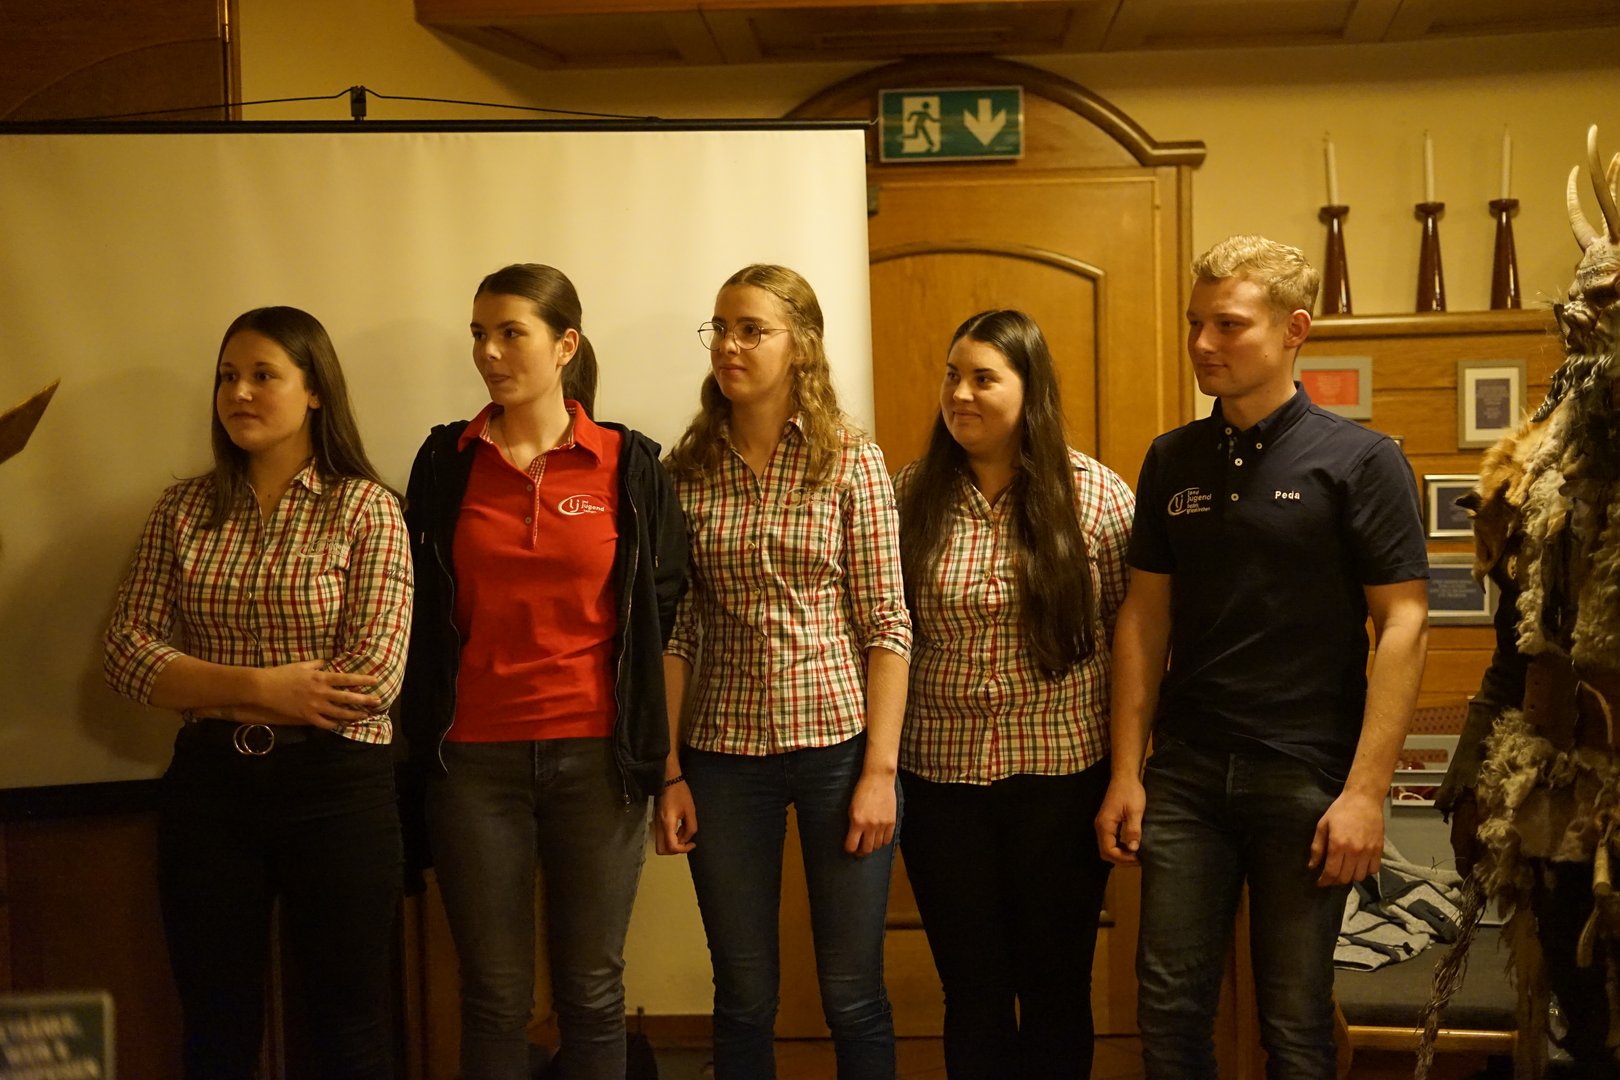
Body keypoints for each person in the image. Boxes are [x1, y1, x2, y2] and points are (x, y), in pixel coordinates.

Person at [1093, 235, 1430, 1078]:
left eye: (1229, 325)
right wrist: (1127, 772)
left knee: (1296, 1021)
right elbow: (1144, 619)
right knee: (1169, 1014)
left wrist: (1366, 795)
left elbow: (1403, 624)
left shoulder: (1362, 460)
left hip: (1307, 776)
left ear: (1294, 330)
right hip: (1186, 775)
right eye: (1195, 323)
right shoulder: (1171, 458)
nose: (1203, 342)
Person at [103, 306, 411, 1080]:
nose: (238, 393)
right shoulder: (183, 509)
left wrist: (199, 686)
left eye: (263, 375)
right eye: (227, 376)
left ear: (315, 390)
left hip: (337, 788)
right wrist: (265, 687)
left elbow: (372, 678)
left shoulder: (367, 507)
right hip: (211, 790)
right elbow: (126, 653)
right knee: (217, 1027)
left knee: (348, 1029)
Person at [398, 263, 688, 1080]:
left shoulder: (626, 463)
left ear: (565, 346)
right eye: (478, 335)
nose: (489, 353)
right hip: (472, 763)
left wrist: (666, 767)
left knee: (592, 991)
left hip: (597, 760)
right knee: (494, 995)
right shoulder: (446, 461)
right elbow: (418, 603)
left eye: (510, 333)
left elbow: (665, 611)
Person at [656, 263, 912, 1079]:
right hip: (724, 757)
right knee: (742, 994)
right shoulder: (686, 471)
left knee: (852, 992)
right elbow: (679, 629)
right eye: (720, 329)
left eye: (751, 330)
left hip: (840, 750)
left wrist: (880, 773)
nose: (728, 346)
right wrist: (669, 770)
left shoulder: (852, 461)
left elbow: (887, 623)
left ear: (799, 345)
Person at [1425, 129, 1620, 1078]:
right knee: (1582, 1017)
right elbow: (1517, 646)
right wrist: (1469, 768)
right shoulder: (1536, 473)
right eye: (1583, 307)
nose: (1587, 324)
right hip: (1566, 787)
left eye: (1609, 307)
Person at [894, 309, 1134, 1078]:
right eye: (952, 376)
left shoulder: (1097, 497)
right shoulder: (909, 496)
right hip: (941, 783)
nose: (960, 394)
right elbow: (887, 633)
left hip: (1063, 780)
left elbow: (1133, 640)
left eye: (983, 379)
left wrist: (1131, 773)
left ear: (1030, 391)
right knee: (973, 991)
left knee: (1056, 987)